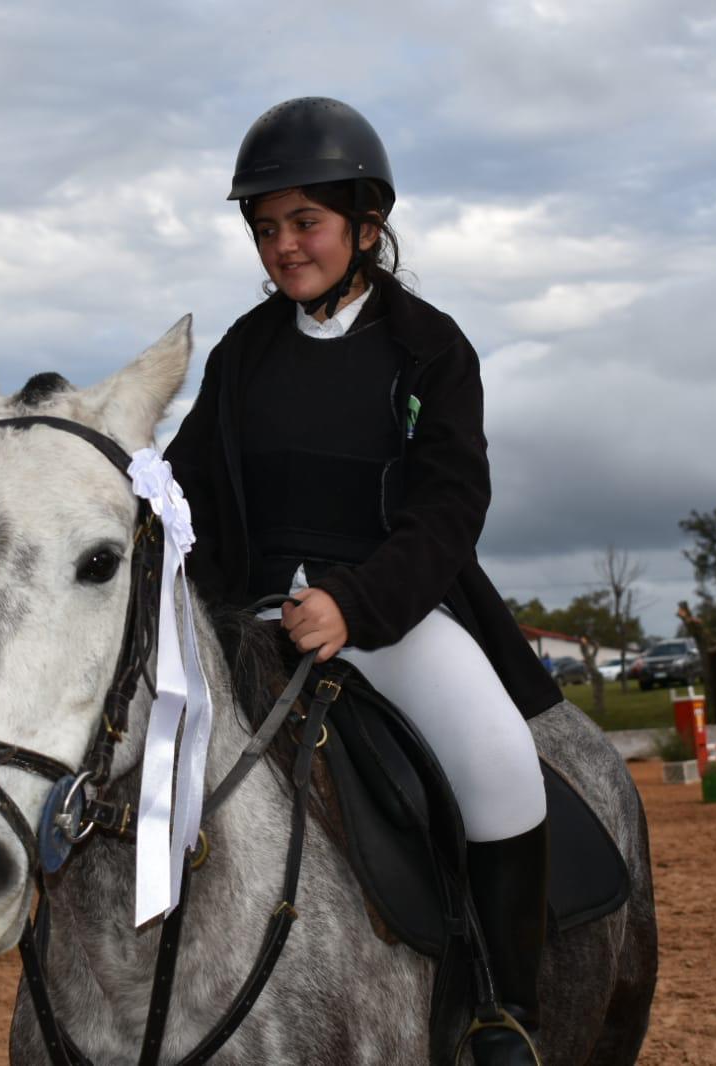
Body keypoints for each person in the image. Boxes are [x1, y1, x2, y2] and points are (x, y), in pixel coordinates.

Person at [165, 97, 563, 1065]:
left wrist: (356, 603)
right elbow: (189, 493)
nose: (284, 247)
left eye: (305, 222)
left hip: (394, 619)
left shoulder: (432, 349)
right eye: (266, 228)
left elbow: (450, 508)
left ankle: (504, 1010)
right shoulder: (242, 356)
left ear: (366, 226)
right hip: (249, 625)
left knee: (502, 763)